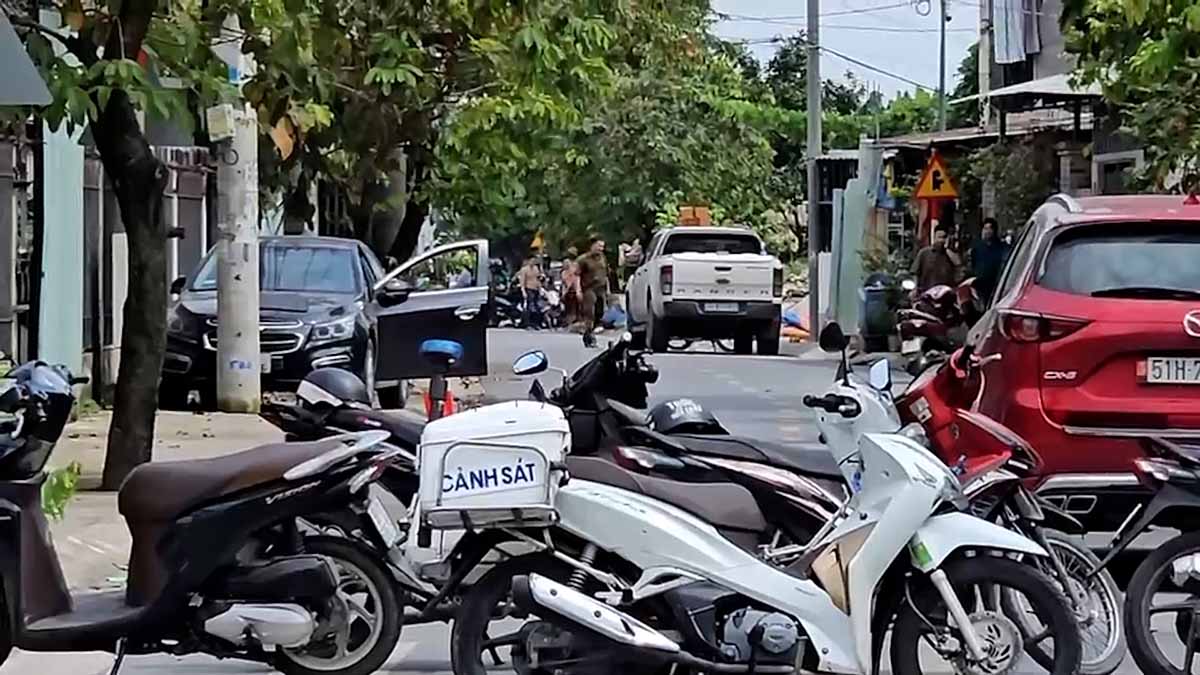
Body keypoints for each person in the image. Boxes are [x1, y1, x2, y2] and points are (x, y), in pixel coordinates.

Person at [910, 222, 962, 292]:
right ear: (934, 237)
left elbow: (958, 266)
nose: (941, 240)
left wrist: (947, 250)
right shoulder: (924, 253)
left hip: (946, 293)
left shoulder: (951, 254)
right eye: (939, 237)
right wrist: (915, 289)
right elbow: (915, 272)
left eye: (944, 237)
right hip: (927, 292)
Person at [576, 237, 609, 347]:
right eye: (599, 246)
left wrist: (608, 290)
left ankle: (590, 332)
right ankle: (589, 336)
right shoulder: (583, 259)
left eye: (602, 247)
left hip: (601, 289)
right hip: (589, 288)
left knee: (600, 313)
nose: (601, 249)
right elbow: (576, 275)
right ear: (592, 246)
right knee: (590, 313)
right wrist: (578, 290)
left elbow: (605, 274)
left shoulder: (602, 258)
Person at [969, 217, 1010, 300]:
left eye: (990, 228)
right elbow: (973, 265)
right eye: (985, 228)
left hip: (997, 285)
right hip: (980, 285)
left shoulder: (1002, 247)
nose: (987, 231)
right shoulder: (977, 247)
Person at [517, 257, 543, 330]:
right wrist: (523, 291)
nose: (533, 262)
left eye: (534, 261)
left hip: (536, 289)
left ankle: (535, 323)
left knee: (537, 306)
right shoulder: (524, 270)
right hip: (529, 289)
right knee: (530, 306)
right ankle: (528, 323)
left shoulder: (536, 269)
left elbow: (538, 280)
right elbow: (522, 282)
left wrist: (540, 289)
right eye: (531, 261)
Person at [560, 250, 581, 326]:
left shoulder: (573, 271)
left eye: (566, 264)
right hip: (568, 291)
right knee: (568, 306)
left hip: (574, 290)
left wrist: (578, 291)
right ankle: (569, 319)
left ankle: (576, 319)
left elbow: (575, 281)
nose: (565, 265)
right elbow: (564, 284)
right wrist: (563, 292)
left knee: (576, 305)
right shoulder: (563, 273)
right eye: (564, 264)